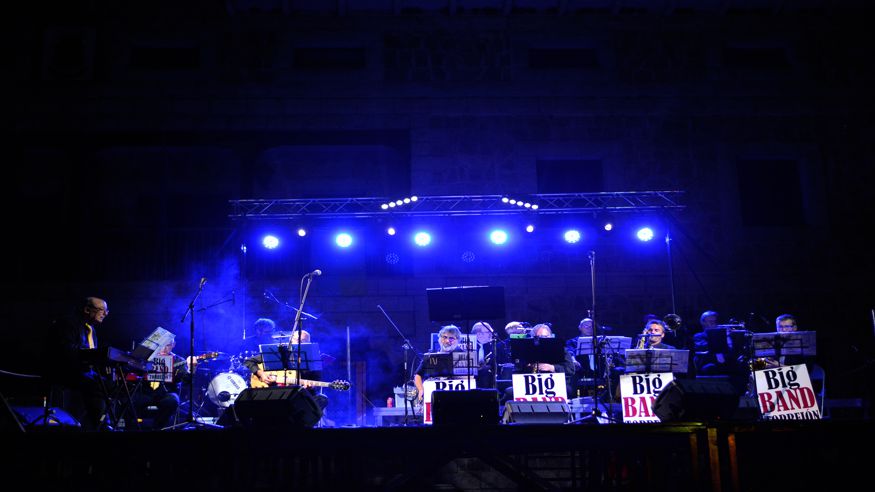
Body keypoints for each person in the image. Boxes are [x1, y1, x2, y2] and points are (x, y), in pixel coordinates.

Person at [45, 297, 112, 431]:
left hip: (83, 373)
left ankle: (99, 423)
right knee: (97, 384)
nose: (105, 314)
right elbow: (65, 350)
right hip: (65, 372)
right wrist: (94, 355)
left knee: (111, 384)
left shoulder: (91, 329)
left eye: (106, 311)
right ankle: (103, 426)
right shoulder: (68, 323)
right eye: (101, 310)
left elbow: (91, 355)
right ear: (87, 309)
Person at [130, 338, 192, 430]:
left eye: (167, 345)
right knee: (129, 399)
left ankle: (158, 428)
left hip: (166, 393)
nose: (163, 348)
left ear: (173, 344)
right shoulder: (147, 357)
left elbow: (186, 381)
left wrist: (191, 369)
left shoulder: (178, 360)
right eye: (161, 345)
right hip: (146, 393)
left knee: (172, 401)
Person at [413, 325, 464, 404]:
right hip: (435, 398)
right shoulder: (431, 355)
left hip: (457, 398)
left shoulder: (463, 356)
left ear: (458, 340)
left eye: (451, 338)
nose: (447, 341)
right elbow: (418, 375)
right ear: (439, 339)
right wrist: (421, 389)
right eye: (444, 337)